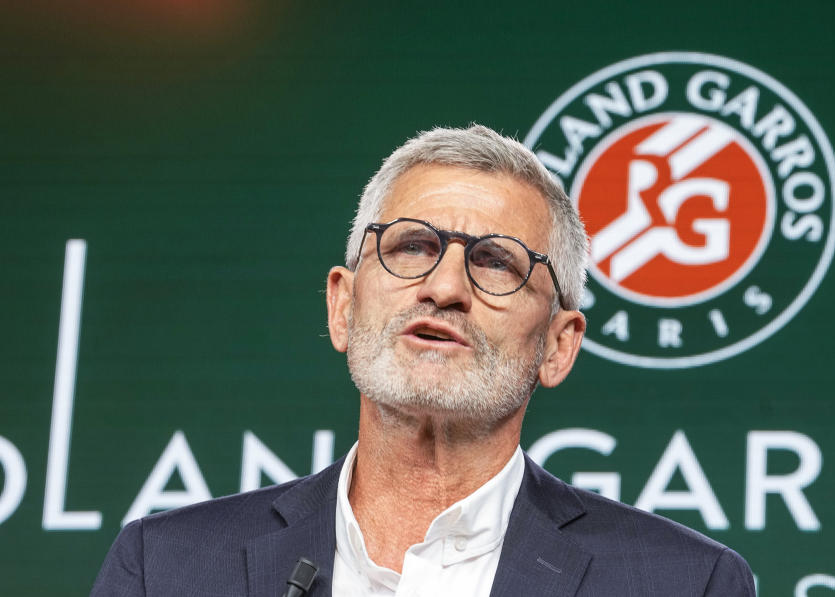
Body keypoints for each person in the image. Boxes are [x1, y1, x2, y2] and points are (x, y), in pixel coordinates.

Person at [91, 125, 756, 596]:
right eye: (412, 246)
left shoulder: (685, 582)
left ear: (559, 343)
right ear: (343, 305)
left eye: (496, 261)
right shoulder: (167, 567)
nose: (445, 287)